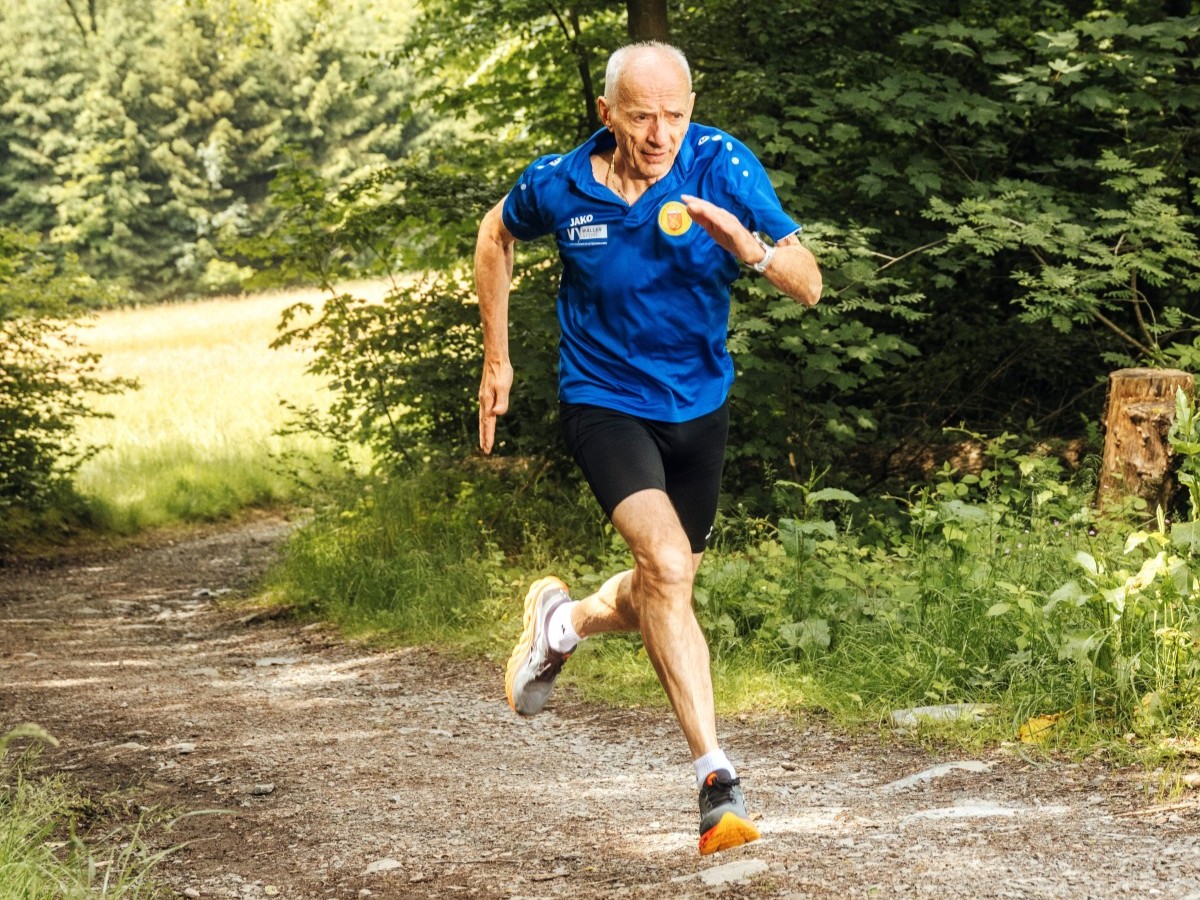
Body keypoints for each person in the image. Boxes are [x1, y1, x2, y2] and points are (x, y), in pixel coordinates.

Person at [474, 41, 822, 856]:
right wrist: (498, 356)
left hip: (699, 407)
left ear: (691, 108)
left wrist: (753, 249)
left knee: (662, 587)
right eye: (641, 116)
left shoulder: (722, 166)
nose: (660, 132)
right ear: (607, 114)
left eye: (675, 113)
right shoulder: (560, 184)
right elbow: (496, 234)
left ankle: (561, 624)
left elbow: (809, 283)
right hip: (603, 402)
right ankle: (716, 780)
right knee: (665, 566)